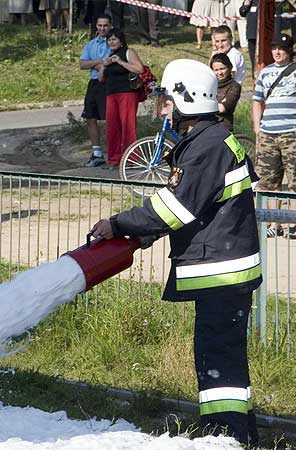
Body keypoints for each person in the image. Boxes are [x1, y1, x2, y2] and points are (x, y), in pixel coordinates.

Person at [91, 58, 261, 446]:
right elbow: (196, 209)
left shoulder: (206, 147)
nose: (160, 108)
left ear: (188, 99)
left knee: (218, 364)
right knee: (226, 360)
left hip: (222, 274)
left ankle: (224, 439)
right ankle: (241, 434)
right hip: (227, 272)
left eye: (166, 100)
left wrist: (117, 224)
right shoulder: (210, 140)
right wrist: (146, 234)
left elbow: (174, 208)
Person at [252, 33, 296, 238]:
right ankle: (273, 221)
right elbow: (256, 101)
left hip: (292, 132)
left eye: (282, 49)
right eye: (275, 48)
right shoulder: (265, 72)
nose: (277, 52)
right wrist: (257, 129)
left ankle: (292, 222)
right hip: (268, 132)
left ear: (290, 50)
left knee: (294, 180)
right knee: (268, 181)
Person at [98, 29, 144, 167]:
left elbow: (139, 69)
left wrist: (121, 62)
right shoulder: (109, 56)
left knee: (127, 125)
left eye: (114, 39)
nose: (111, 42)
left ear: (121, 40)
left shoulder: (128, 52)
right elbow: (101, 79)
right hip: (111, 93)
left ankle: (131, 159)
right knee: (112, 126)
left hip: (127, 93)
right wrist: (103, 67)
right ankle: (114, 159)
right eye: (109, 40)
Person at [79, 14, 111, 168]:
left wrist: (99, 65)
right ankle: (97, 153)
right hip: (93, 83)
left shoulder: (112, 42)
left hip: (108, 84)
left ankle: (114, 151)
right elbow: (82, 63)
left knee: (108, 118)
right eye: (100, 25)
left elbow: (110, 62)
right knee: (90, 117)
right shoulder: (90, 44)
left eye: (105, 25)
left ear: (109, 26)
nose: (102, 28)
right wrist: (98, 62)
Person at [210, 53, 241, 131]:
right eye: (216, 70)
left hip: (224, 127)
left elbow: (222, 108)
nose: (220, 73)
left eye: (222, 68)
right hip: (208, 125)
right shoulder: (209, 85)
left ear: (229, 67)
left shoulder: (234, 86)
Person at [239, 0, 257, 78]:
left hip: (263, 34)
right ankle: (254, 75)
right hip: (251, 34)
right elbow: (242, 13)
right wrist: (246, 5)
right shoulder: (249, 1)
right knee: (253, 57)